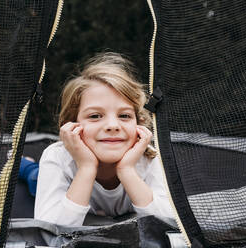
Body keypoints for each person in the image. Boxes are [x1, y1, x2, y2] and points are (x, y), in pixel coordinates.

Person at [34, 52, 175, 226]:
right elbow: (49, 230)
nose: (112, 125)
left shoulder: (150, 159)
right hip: (50, 175)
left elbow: (170, 223)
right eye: (95, 116)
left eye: (124, 115)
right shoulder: (58, 158)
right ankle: (26, 166)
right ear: (70, 125)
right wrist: (86, 167)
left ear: (140, 123)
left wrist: (127, 170)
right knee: (33, 177)